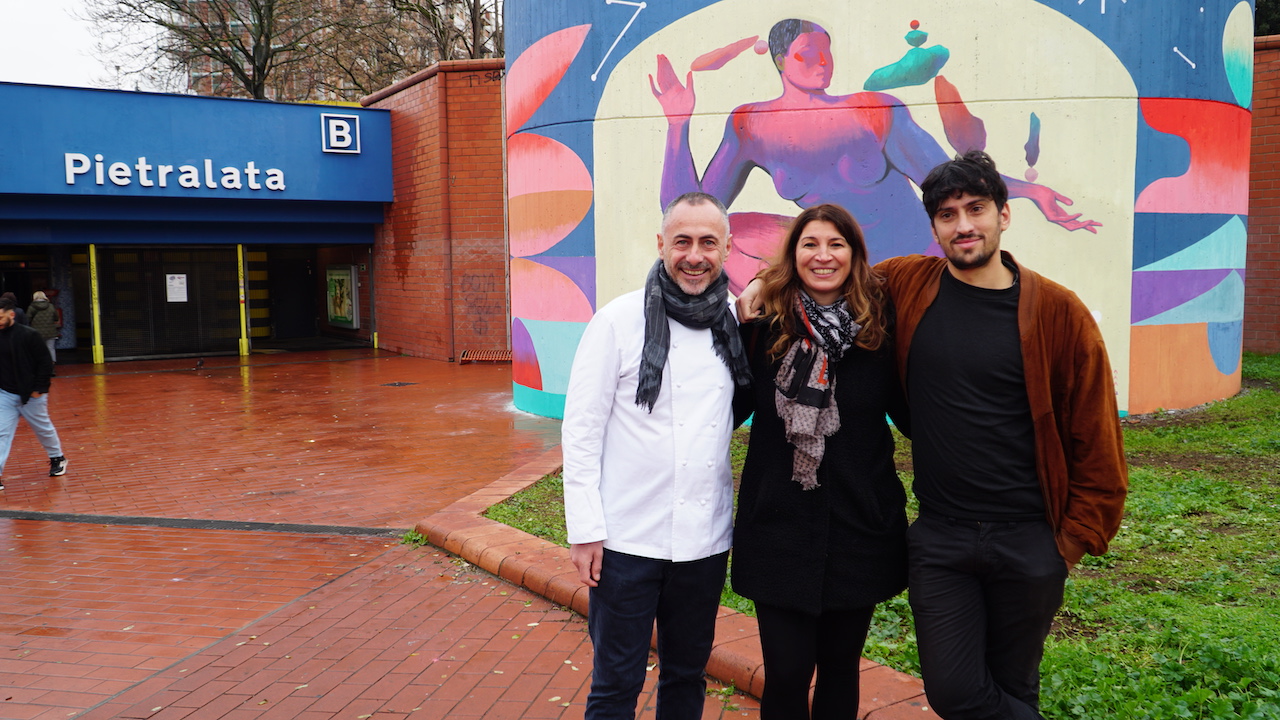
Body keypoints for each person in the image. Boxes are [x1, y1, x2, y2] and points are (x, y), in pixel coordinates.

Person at [737, 151, 1128, 718]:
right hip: (941, 536)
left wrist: (1070, 543)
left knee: (1014, 687)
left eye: (976, 209)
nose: (963, 224)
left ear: (1004, 215)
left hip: (1027, 535)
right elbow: (824, 280)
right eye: (948, 214)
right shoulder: (909, 287)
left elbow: (1097, 438)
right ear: (935, 228)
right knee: (954, 692)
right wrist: (756, 287)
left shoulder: (1058, 314)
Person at [650, 18, 1100, 288]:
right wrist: (677, 123)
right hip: (831, 263)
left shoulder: (872, 110)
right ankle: (786, 331)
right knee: (731, 236)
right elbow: (691, 214)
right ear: (781, 60)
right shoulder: (750, 123)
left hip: (908, 257)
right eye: (810, 54)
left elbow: (944, 179)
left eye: (828, 54)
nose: (823, 63)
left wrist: (1027, 192)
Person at [562, 191, 750, 720]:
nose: (695, 255)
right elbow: (581, 432)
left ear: (728, 249)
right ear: (661, 244)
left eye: (708, 242)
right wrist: (585, 530)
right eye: (683, 241)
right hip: (625, 541)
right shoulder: (617, 321)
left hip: (704, 542)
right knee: (616, 685)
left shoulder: (737, 322)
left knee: (687, 679)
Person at [732, 203, 909, 719]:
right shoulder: (763, 325)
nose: (823, 255)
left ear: (855, 256)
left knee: (839, 669)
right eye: (811, 243)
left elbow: (915, 413)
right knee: (786, 674)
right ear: (794, 254)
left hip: (859, 527)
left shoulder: (879, 330)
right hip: (779, 529)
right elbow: (723, 407)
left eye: (837, 244)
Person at [0, 297, 68, 490]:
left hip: (31, 394)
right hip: (5, 393)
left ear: (11, 315)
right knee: (1, 433)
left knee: (43, 428)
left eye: (0, 317)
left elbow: (44, 363)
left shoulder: (29, 335)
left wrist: (39, 388)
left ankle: (58, 458)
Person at [28, 291, 60, 362]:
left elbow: (28, 319)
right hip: (50, 331)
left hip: (37, 332)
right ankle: (52, 363)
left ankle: (41, 363)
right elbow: (56, 318)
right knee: (50, 348)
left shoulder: (31, 307)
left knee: (38, 349)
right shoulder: (51, 306)